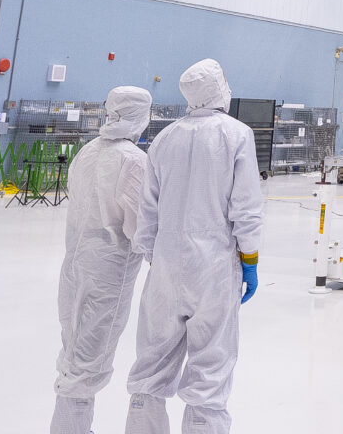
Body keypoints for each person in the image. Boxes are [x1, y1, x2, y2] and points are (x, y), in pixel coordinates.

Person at [125, 59, 264, 434]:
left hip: (165, 269)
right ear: (218, 88)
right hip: (214, 268)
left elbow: (146, 211)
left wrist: (160, 258)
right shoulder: (236, 134)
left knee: (151, 363)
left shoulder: (165, 138)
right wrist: (248, 260)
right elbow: (246, 208)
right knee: (210, 368)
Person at [51, 86, 153, 434]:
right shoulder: (134, 161)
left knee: (73, 349)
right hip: (108, 272)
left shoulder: (88, 151)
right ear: (142, 116)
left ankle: (69, 427)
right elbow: (139, 227)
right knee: (90, 358)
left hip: (76, 263)